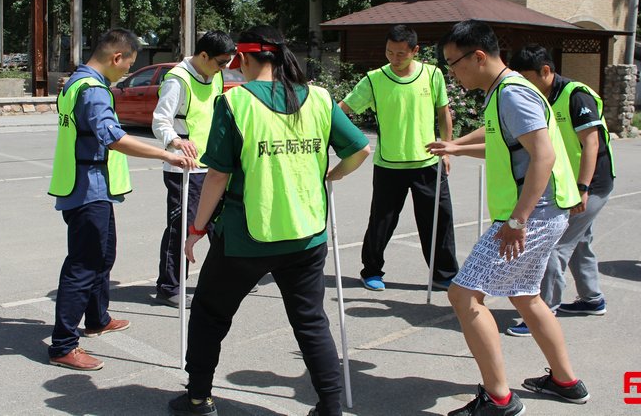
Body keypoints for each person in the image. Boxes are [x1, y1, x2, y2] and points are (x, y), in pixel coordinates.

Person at [168, 26, 370, 416]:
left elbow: (217, 175)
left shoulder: (236, 101)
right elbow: (360, 149)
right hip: (307, 236)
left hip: (247, 237)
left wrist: (195, 230)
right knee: (311, 322)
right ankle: (330, 406)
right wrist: (335, 175)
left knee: (210, 314)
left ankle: (198, 398)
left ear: (243, 59)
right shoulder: (319, 97)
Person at [427, 20, 589, 415]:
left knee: (463, 294)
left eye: (454, 63)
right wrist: (457, 148)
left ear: (478, 56)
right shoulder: (505, 90)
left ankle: (498, 398)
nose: (452, 73)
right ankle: (566, 382)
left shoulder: (512, 94)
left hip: (530, 215)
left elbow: (544, 156)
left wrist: (518, 221)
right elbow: (506, 148)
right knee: (525, 295)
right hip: (545, 212)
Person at [48, 28, 196, 371]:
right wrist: (168, 153)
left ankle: (98, 318)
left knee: (103, 256)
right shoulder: (94, 91)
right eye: (127, 66)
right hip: (88, 189)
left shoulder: (76, 83)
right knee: (83, 265)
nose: (126, 73)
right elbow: (113, 138)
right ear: (116, 58)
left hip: (88, 187)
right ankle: (63, 344)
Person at [504, 45, 616, 337]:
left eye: (527, 78)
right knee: (580, 240)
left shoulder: (576, 95)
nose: (523, 85)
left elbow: (591, 143)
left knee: (554, 246)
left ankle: (543, 312)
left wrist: (583, 187)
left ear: (546, 71)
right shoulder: (539, 97)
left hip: (590, 184)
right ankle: (592, 299)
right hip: (568, 184)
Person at [339, 24, 458, 292]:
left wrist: (447, 147)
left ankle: (444, 275)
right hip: (389, 164)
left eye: (401, 54)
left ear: (415, 51)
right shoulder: (373, 79)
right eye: (389, 52)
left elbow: (443, 112)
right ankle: (371, 271)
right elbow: (342, 110)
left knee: (438, 221)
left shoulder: (432, 74)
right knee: (381, 222)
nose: (394, 58)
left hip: (428, 162)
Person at [152, 31, 237, 307]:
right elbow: (159, 121)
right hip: (183, 169)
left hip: (212, 165)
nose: (225, 68)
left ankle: (226, 279)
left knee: (219, 225)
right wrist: (176, 141)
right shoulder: (177, 80)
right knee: (182, 228)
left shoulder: (216, 75)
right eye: (221, 62)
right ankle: (170, 286)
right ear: (203, 56)